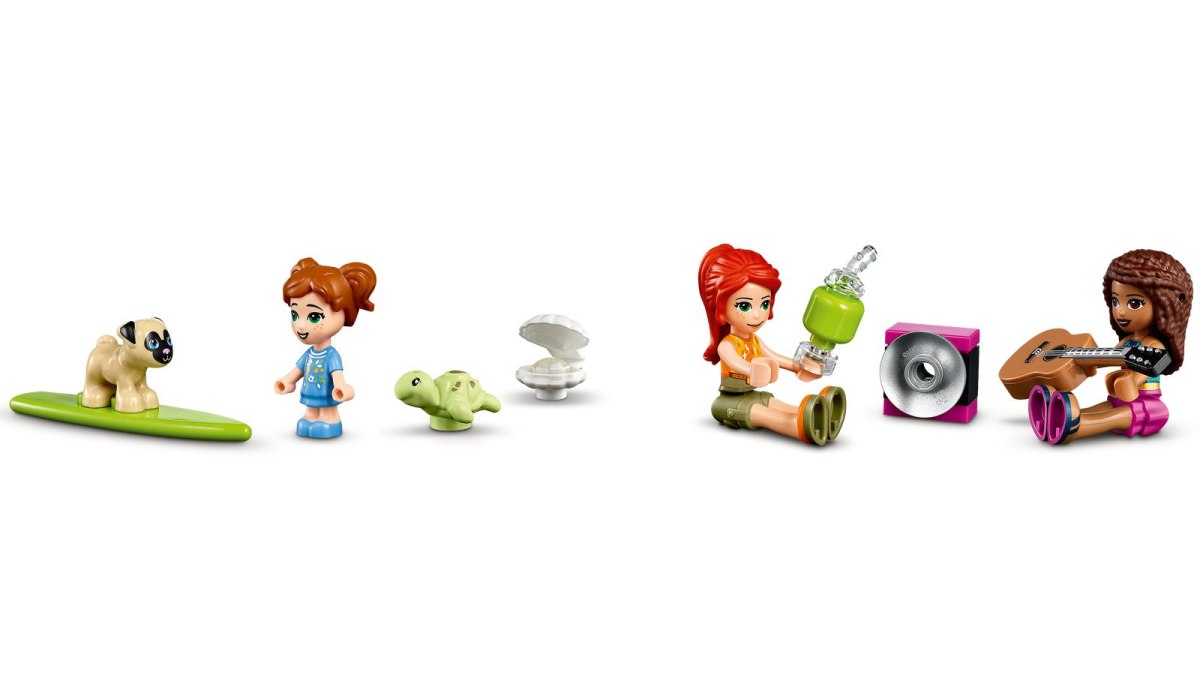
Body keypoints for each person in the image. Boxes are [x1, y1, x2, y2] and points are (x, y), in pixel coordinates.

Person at [1031, 249, 1192, 444]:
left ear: (1162, 306)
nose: (1120, 312)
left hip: (1146, 405)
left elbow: (1133, 385)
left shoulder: (1154, 346)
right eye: (1115, 301)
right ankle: (1052, 414)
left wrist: (1128, 380)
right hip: (1119, 399)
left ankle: (1075, 428)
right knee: (1101, 408)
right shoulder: (1126, 342)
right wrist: (1082, 359)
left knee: (1117, 415)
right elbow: (1108, 358)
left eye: (1134, 303)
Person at [699, 244, 845, 446]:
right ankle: (797, 426)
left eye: (764, 304)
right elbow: (737, 364)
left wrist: (799, 366)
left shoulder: (755, 341)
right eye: (744, 306)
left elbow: (776, 358)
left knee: (777, 404)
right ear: (721, 308)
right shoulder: (727, 345)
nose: (757, 314)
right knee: (764, 414)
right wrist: (753, 369)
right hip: (730, 401)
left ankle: (822, 414)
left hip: (754, 394)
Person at [274, 257, 377, 439]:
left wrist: (341, 388)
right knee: (309, 413)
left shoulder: (331, 355)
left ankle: (331, 421)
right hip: (310, 392)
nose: (301, 326)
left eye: (314, 316)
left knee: (327, 411)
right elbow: (298, 370)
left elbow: (337, 374)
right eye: (295, 314)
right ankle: (310, 417)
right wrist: (287, 381)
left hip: (327, 393)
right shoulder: (309, 353)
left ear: (344, 312)